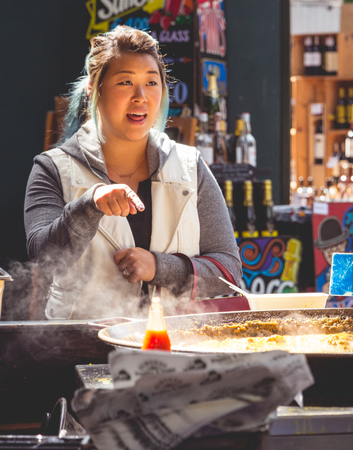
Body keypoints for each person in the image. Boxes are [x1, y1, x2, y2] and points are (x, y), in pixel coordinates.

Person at [24, 26, 242, 320]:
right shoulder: (52, 168)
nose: (141, 96)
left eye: (152, 82)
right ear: (94, 89)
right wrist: (89, 206)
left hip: (177, 348)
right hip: (82, 347)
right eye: (125, 82)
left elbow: (228, 270)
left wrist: (159, 267)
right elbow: (43, 259)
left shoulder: (191, 166)